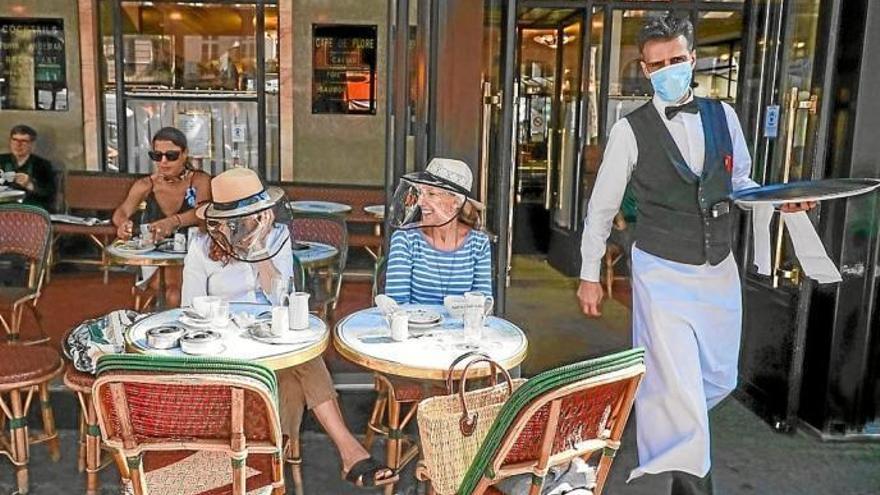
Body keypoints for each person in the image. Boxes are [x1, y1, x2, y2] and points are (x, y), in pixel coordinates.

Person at [575, 15, 814, 495]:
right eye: (657, 63)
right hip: (661, 272)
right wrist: (588, 274)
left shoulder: (723, 116)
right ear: (645, 70)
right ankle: (695, 486)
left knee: (717, 376)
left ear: (693, 59)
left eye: (677, 59)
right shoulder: (629, 131)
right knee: (680, 386)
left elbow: (741, 185)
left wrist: (779, 198)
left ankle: (677, 435)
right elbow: (600, 209)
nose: (668, 69)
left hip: (717, 269)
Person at [182, 167, 397, 489]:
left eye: (257, 214)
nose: (253, 221)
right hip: (225, 343)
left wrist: (258, 251)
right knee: (296, 377)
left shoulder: (277, 237)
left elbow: (278, 296)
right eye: (244, 217)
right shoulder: (200, 246)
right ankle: (324, 454)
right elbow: (190, 307)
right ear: (224, 220)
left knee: (299, 362)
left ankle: (267, 463)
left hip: (270, 337)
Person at [112, 127, 212, 308]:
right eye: (157, 156)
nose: (163, 161)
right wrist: (123, 224)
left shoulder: (199, 180)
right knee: (168, 291)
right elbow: (122, 211)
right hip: (155, 255)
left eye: (171, 155)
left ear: (184, 154)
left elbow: (203, 211)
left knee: (174, 293)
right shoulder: (146, 184)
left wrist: (173, 222)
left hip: (192, 252)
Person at [385, 157, 492, 304]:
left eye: (431, 194)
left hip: (462, 326)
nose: (421, 202)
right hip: (414, 326)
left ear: (456, 202)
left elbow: (483, 304)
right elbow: (396, 305)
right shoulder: (405, 240)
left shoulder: (479, 243)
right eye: (420, 193)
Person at [0, 125, 57, 211]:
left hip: (30, 210)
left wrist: (29, 185)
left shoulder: (43, 165)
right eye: (14, 140)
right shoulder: (1, 160)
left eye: (24, 141)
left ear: (32, 144)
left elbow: (50, 195)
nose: (18, 145)